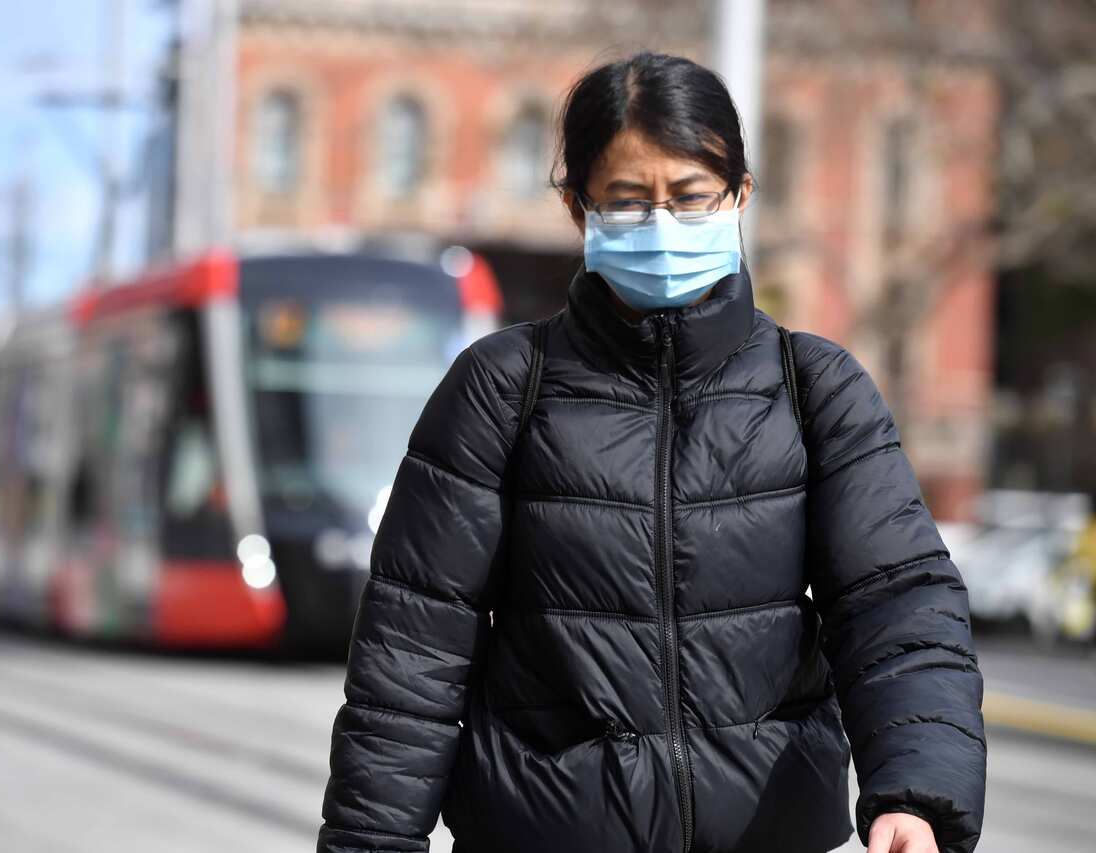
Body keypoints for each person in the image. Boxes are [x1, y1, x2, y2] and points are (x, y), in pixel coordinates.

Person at [316, 51, 986, 853]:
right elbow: (413, 648)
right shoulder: (502, 389)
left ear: (739, 193)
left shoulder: (815, 388)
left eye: (691, 196)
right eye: (628, 202)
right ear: (579, 208)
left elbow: (897, 605)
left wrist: (915, 792)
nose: (662, 226)